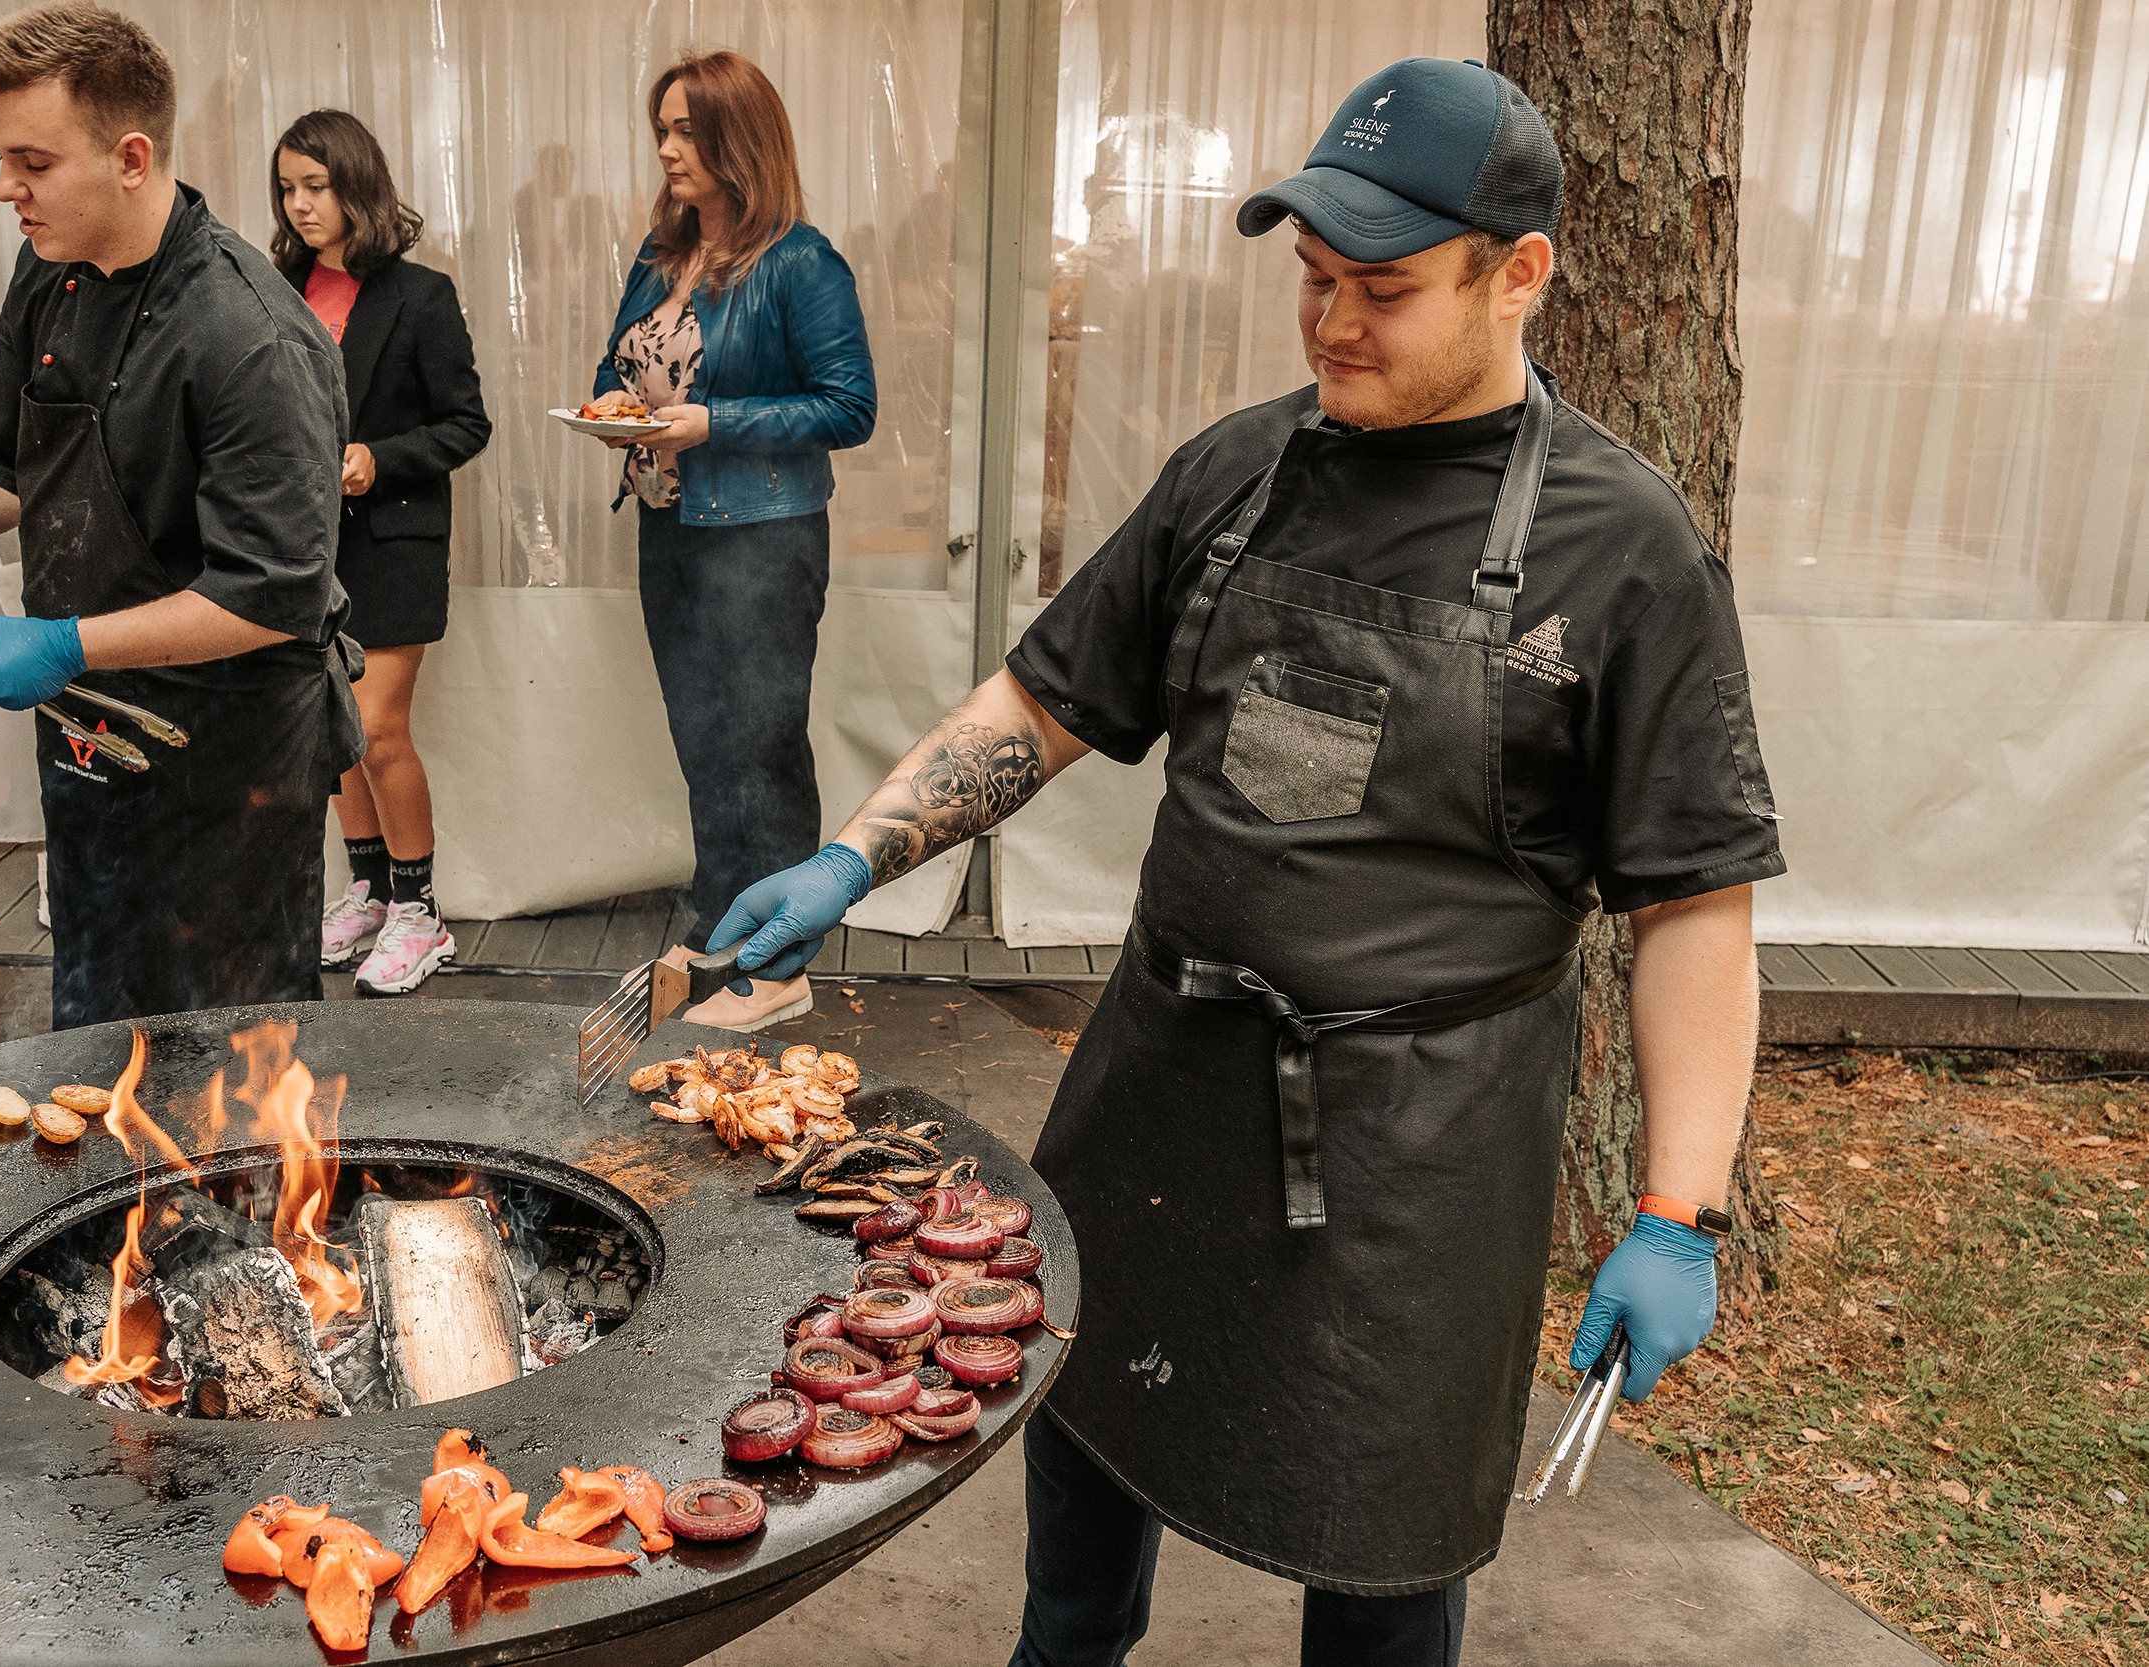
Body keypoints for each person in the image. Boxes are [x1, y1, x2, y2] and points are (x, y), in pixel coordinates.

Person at [707, 57, 1784, 1666]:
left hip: (1424, 1143)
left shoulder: (1624, 552)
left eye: (1386, 289)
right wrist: (856, 854)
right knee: (1076, 1470)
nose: (1334, 324)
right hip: (1163, 1076)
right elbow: (1044, 696)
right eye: (1313, 280)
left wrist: (1678, 1209)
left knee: (1380, 1562)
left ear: (1521, 274)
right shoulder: (1237, 474)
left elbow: (1695, 902)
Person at [0, 2, 363, 1032]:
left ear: (131, 157)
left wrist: (65, 640)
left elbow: (272, 593)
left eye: (31, 162)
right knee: (95, 1023)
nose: (6, 187)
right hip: (94, 732)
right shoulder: (50, 272)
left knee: (232, 1054)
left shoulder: (250, 334)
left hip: (228, 758)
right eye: (1, 158)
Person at [587, 48, 875, 1030]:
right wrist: (617, 403)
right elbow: (619, 359)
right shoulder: (659, 255)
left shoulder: (801, 260)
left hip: (765, 537)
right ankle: (721, 937)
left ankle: (779, 969)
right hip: (670, 530)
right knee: (704, 743)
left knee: (761, 748)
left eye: (687, 130)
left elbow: (849, 407)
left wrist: (713, 423)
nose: (666, 147)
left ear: (738, 141)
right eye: (661, 128)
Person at [271, 110, 491, 996]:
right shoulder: (273, 284)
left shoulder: (421, 295)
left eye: (315, 187)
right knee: (331, 730)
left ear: (357, 186)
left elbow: (467, 424)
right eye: (287, 188)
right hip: (296, 544)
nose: (298, 206)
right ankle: (364, 892)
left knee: (377, 726)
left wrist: (378, 458)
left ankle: (420, 912)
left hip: (391, 540)